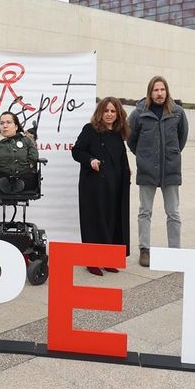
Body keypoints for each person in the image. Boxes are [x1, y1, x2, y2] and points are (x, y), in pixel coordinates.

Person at [127, 76, 188, 267]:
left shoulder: (177, 112)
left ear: (166, 91)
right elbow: (131, 138)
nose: (159, 93)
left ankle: (174, 251)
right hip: (147, 170)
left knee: (173, 213)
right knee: (145, 211)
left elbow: (182, 138)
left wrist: (171, 154)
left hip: (170, 169)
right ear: (150, 92)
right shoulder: (139, 113)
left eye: (162, 89)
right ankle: (144, 249)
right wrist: (143, 156)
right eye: (155, 90)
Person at [71, 97, 131, 276]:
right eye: (106, 111)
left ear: (118, 113)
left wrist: (127, 169)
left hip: (115, 184)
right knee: (94, 221)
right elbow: (77, 151)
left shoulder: (119, 133)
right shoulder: (90, 130)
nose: (110, 114)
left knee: (112, 220)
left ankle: (108, 259)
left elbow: (121, 156)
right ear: (100, 112)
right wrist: (90, 160)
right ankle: (92, 261)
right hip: (94, 185)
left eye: (113, 111)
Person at [0, 111, 39, 194]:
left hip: (23, 174)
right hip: (1, 175)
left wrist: (32, 160)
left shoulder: (26, 140)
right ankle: (7, 186)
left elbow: (33, 151)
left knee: (29, 179)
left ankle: (19, 185)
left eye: (8, 122)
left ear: (16, 126)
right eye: (2, 123)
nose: (5, 126)